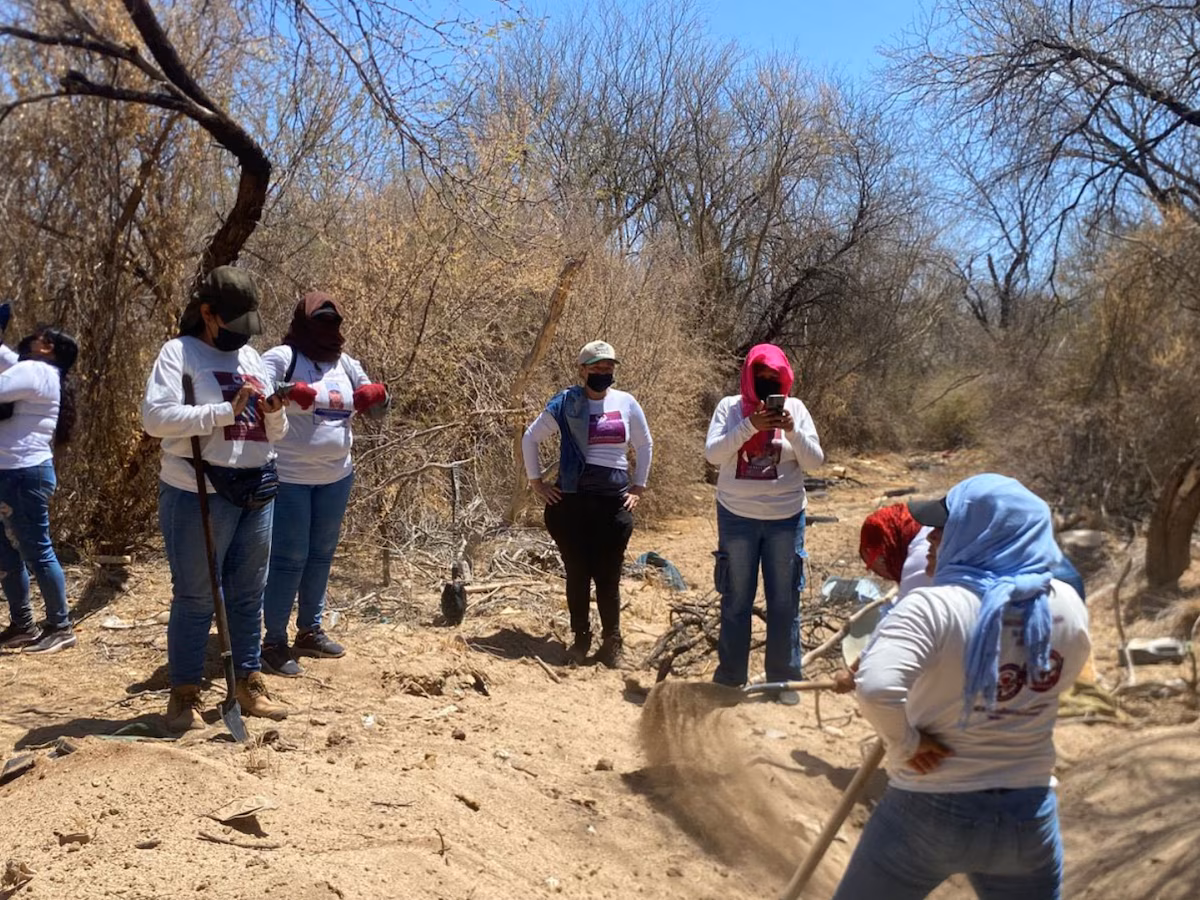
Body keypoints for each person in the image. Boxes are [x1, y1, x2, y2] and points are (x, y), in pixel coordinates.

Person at [832, 474, 1091, 900]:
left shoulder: (934, 605)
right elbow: (1065, 673)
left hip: (927, 810)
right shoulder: (1064, 603)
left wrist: (907, 744)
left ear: (985, 535)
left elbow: (877, 688)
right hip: (1027, 817)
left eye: (944, 527)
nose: (930, 538)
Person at [142, 266, 290, 731]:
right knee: (196, 596)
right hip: (197, 491)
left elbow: (274, 434)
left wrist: (274, 415)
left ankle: (248, 683)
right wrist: (224, 411)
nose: (239, 336)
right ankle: (185, 692)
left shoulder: (253, 358)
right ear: (207, 314)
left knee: (249, 594)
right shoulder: (179, 353)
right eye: (231, 323)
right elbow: (156, 418)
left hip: (256, 488)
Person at [259, 292, 388, 676]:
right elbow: (257, 394)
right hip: (291, 475)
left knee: (321, 554)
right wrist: (285, 392)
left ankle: (309, 630)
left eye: (334, 322)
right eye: (321, 321)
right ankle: (273, 640)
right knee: (289, 557)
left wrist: (378, 396)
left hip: (336, 476)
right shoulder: (283, 357)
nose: (329, 329)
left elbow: (377, 410)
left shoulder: (345, 364)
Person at [703, 343, 824, 703]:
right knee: (736, 598)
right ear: (749, 376)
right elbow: (713, 454)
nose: (767, 383)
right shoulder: (729, 408)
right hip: (737, 515)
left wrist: (791, 432)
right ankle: (729, 679)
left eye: (775, 377)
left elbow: (815, 462)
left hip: (785, 519)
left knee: (785, 600)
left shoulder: (796, 409)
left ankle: (783, 680)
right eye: (761, 376)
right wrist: (749, 425)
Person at [522, 340, 653, 667]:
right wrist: (536, 483)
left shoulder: (626, 402)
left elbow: (645, 444)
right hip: (573, 505)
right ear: (582, 370)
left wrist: (638, 487)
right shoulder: (566, 404)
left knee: (608, 576)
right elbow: (530, 438)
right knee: (578, 574)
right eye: (595, 367)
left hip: (613, 505)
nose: (602, 373)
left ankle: (613, 643)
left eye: (608, 367)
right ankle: (580, 639)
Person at [0, 313, 80, 655]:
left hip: (22, 475)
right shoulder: (41, 371)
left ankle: (59, 626)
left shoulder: (34, 370)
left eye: (39, 337)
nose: (31, 338)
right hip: (16, 474)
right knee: (6, 551)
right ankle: (22, 625)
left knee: (37, 551)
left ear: (47, 347)